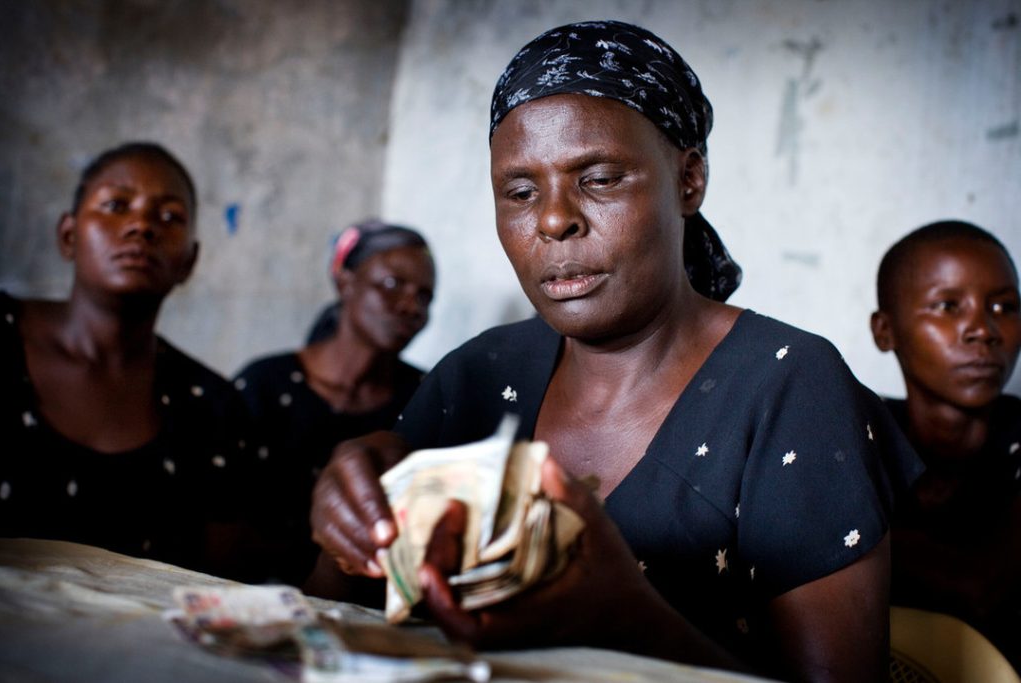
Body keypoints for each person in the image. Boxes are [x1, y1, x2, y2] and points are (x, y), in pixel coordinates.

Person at [309, 21, 922, 681]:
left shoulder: (790, 387)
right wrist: (350, 531)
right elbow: (327, 629)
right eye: (520, 192)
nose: (553, 220)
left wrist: (627, 617)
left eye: (599, 179)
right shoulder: (476, 374)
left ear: (689, 180)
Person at [0, 142, 259, 578]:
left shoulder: (212, 406)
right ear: (68, 236)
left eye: (170, 216)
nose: (142, 226)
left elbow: (221, 587)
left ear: (189, 261)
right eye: (117, 205)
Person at [234, 219, 435, 586]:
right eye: (393, 284)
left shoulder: (425, 396)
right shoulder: (266, 384)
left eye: (424, 297)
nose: (411, 306)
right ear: (345, 282)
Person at [870, 220, 1021, 670]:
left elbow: (979, 587)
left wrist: (855, 542)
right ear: (885, 331)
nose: (983, 330)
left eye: (1004, 307)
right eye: (948, 306)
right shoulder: (855, 433)